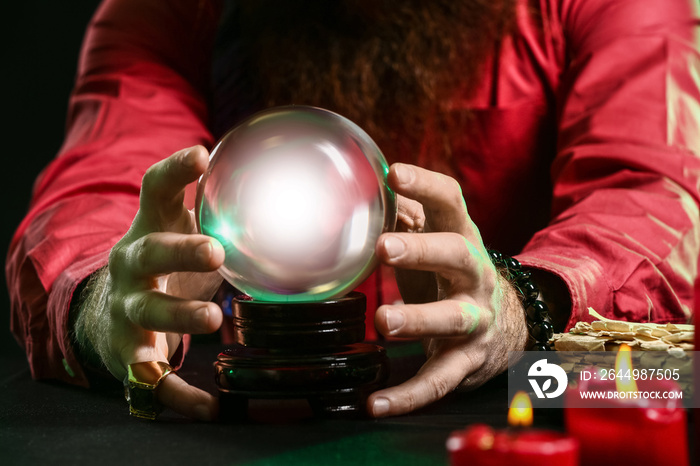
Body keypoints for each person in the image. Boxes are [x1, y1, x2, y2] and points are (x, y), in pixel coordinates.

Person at [6, 0, 700, 421]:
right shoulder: (174, 15)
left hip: (515, 407)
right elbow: (93, 199)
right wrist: (108, 306)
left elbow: (659, 196)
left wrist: (521, 306)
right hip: (238, 420)